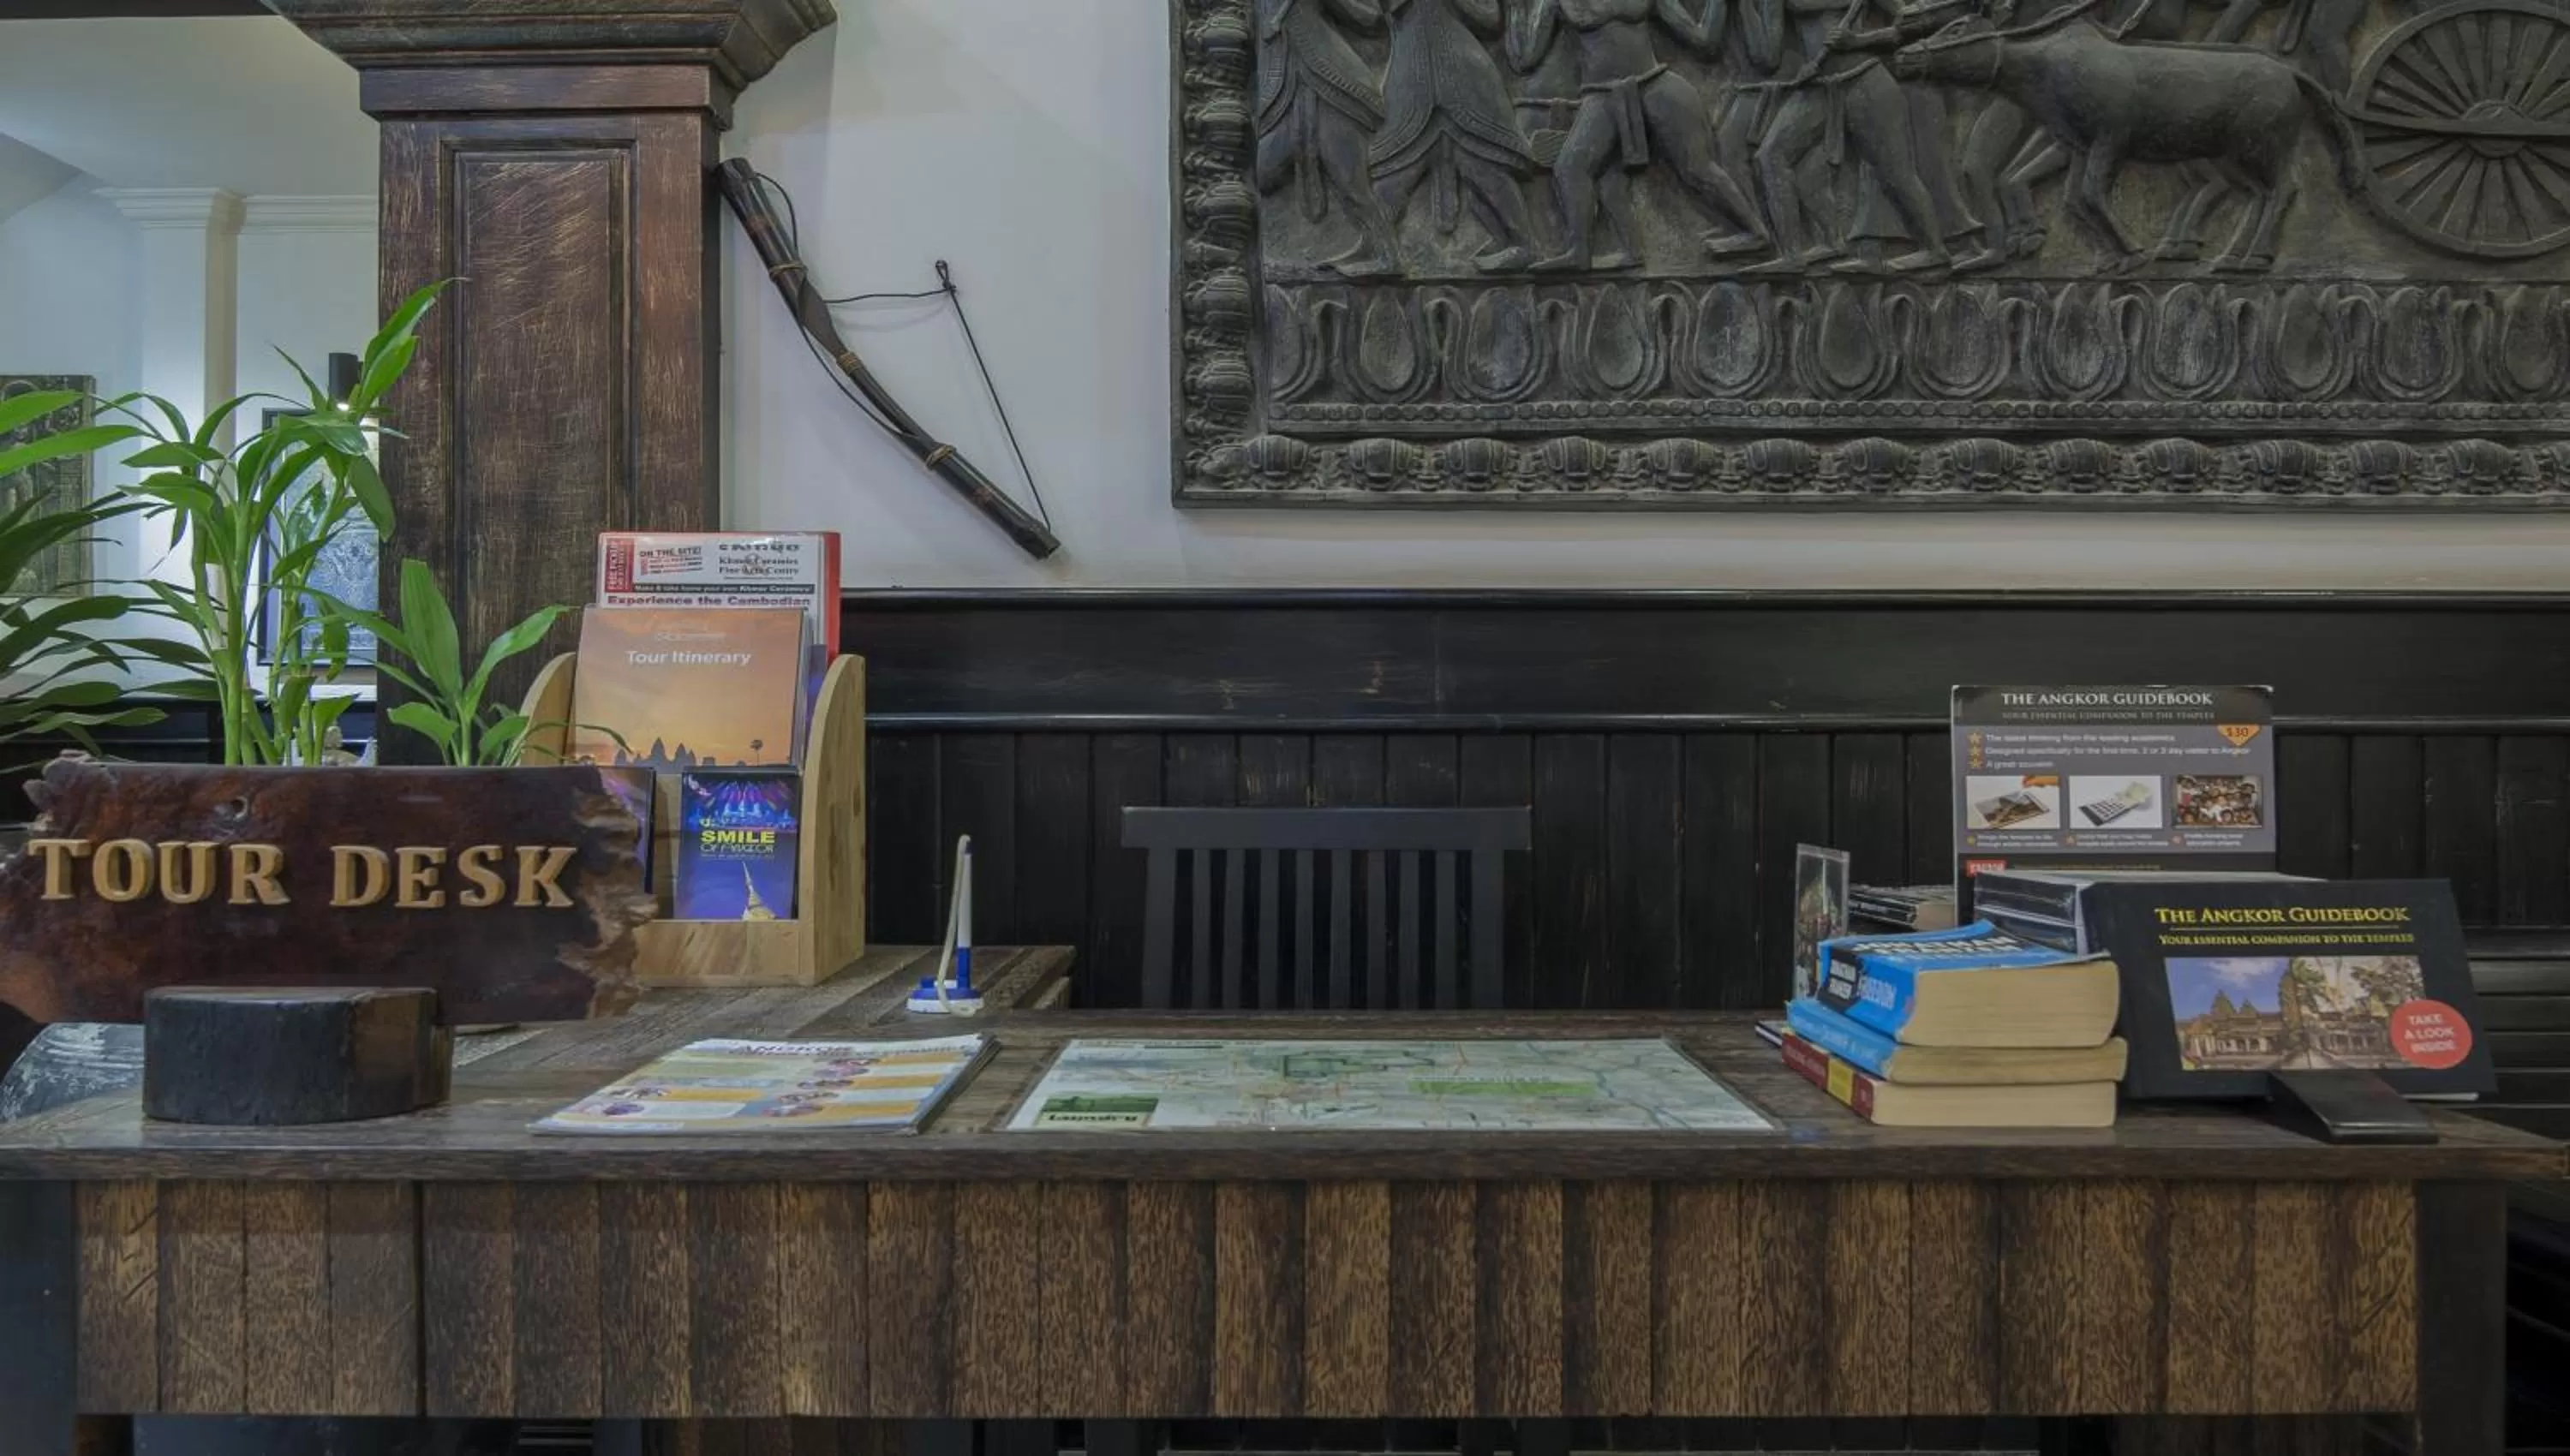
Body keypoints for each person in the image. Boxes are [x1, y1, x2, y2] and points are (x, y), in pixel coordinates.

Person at [1507, 0, 1772, 271]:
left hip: (1656, 85)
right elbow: (1525, 60)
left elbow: (1704, 41)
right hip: (1602, 97)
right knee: (1571, 168)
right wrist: (1515, 9)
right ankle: (1583, 252)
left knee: (1697, 168)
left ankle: (1756, 233)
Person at [1373, 0, 1545, 270]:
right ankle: (1378, 248)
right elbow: (1374, 17)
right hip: (1412, 78)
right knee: (1394, 167)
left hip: (1460, 72)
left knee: (1482, 161)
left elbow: (1490, 19)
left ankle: (1523, 244)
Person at [1257, 0, 1404, 276]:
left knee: (1351, 184)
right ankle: (1266, 258)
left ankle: (1388, 257)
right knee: (1261, 172)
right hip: (1285, 94)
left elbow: (1369, 18)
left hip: (1332, 88)